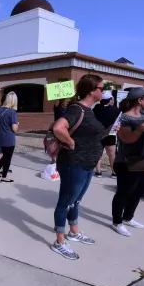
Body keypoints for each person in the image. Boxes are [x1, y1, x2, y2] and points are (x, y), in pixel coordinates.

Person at [50, 74, 105, 260]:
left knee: (76, 201)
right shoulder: (77, 109)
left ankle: (73, 231)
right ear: (92, 91)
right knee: (65, 202)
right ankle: (59, 241)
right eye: (101, 88)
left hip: (87, 164)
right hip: (74, 164)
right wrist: (71, 143)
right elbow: (58, 127)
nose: (103, 92)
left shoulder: (89, 110)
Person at [110, 87, 144, 237]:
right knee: (124, 192)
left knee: (138, 191)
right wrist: (139, 130)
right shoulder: (124, 118)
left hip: (143, 161)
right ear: (139, 100)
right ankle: (117, 221)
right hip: (126, 162)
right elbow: (127, 139)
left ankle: (128, 217)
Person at [0, 92, 18, 182]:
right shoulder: (12, 112)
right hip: (9, 138)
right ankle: (4, 177)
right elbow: (14, 129)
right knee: (7, 158)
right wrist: (17, 124)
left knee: (3, 156)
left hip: (0, 137)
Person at [93, 91, 120, 177]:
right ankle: (114, 172)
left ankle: (98, 172)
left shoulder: (96, 108)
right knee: (112, 154)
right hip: (110, 134)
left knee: (98, 153)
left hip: (98, 133)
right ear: (110, 99)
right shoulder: (115, 110)